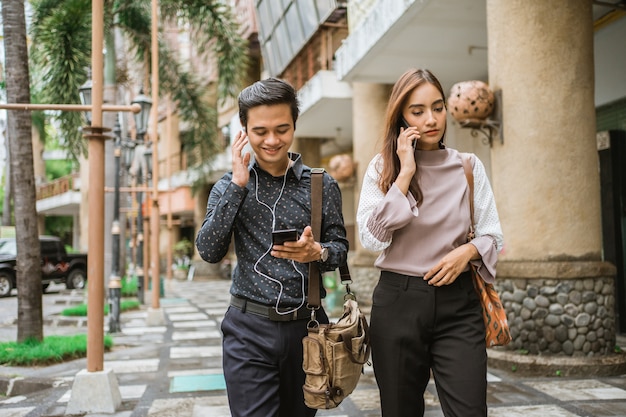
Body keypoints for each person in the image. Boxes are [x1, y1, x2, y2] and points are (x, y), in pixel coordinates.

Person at [196, 77, 349, 417]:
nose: (271, 140)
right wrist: (238, 185)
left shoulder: (321, 185)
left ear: (294, 124)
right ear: (244, 129)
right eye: (260, 131)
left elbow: (340, 250)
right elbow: (208, 250)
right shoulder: (227, 186)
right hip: (247, 329)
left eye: (282, 129)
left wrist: (318, 252)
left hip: (307, 329)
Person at [356, 68, 504, 417]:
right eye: (417, 111)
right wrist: (404, 175)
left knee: (470, 410)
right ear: (401, 117)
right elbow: (371, 238)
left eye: (437, 107)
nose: (431, 119)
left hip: (459, 303)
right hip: (398, 303)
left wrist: (467, 252)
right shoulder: (382, 168)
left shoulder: (468, 166)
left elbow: (493, 234)